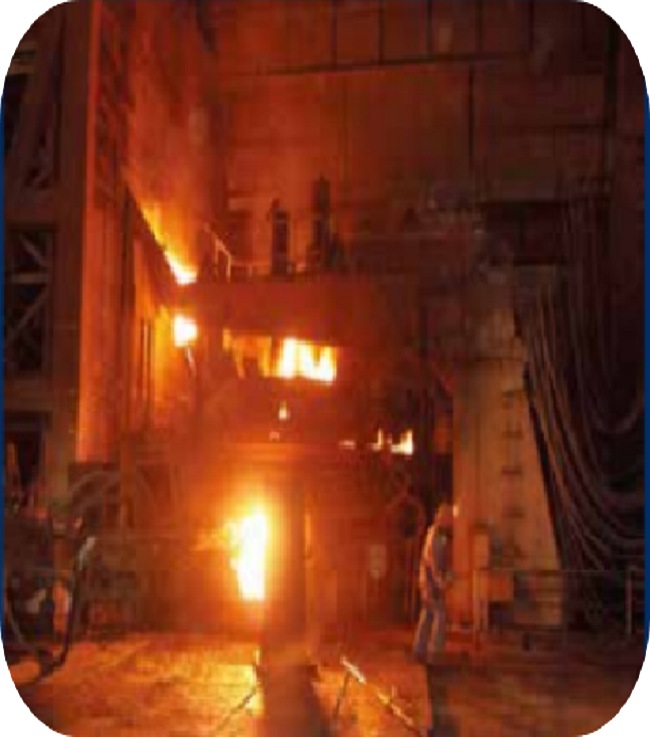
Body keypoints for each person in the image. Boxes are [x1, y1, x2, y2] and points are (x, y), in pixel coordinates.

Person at [413, 503, 455, 736]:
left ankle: (420, 650)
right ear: (441, 517)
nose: (449, 521)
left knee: (428, 615)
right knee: (439, 616)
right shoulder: (436, 537)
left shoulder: (436, 534)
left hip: (427, 583)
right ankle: (434, 654)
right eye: (447, 517)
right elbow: (434, 563)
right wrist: (443, 582)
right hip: (431, 584)